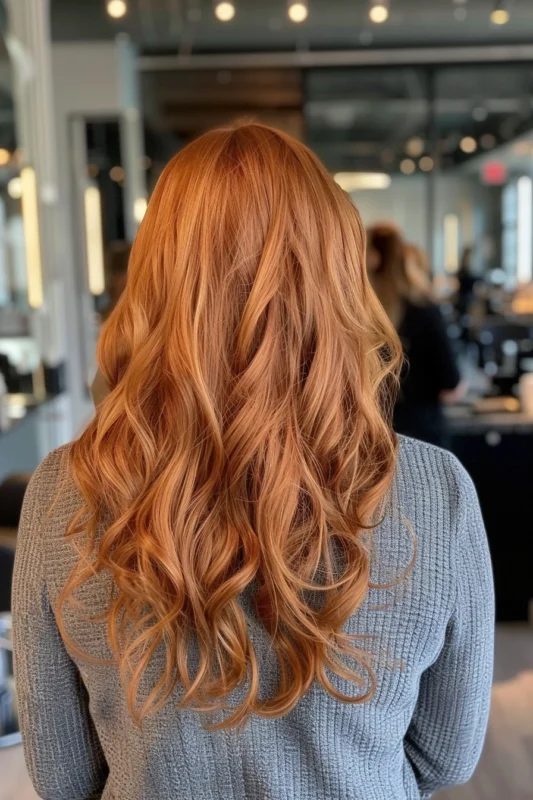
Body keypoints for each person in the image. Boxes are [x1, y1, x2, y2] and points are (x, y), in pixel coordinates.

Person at [13, 123, 493, 800]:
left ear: (155, 274)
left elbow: (62, 776)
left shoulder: (64, 491)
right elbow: (447, 756)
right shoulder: (435, 490)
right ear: (337, 273)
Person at [367, 223, 464, 449]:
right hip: (423, 435)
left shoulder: (357, 313)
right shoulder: (423, 308)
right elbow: (451, 383)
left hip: (372, 435)